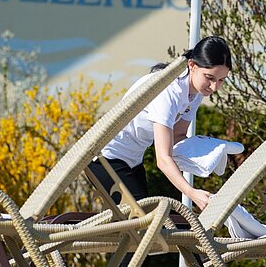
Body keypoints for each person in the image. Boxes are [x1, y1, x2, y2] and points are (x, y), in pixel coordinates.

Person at [89, 35, 232, 213]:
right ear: (192, 66)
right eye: (209, 78)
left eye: (221, 80)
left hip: (132, 161)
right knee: (144, 222)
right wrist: (192, 193)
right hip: (105, 159)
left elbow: (177, 136)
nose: (214, 87)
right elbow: (163, 160)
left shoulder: (195, 93)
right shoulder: (168, 89)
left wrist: (210, 150)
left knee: (143, 224)